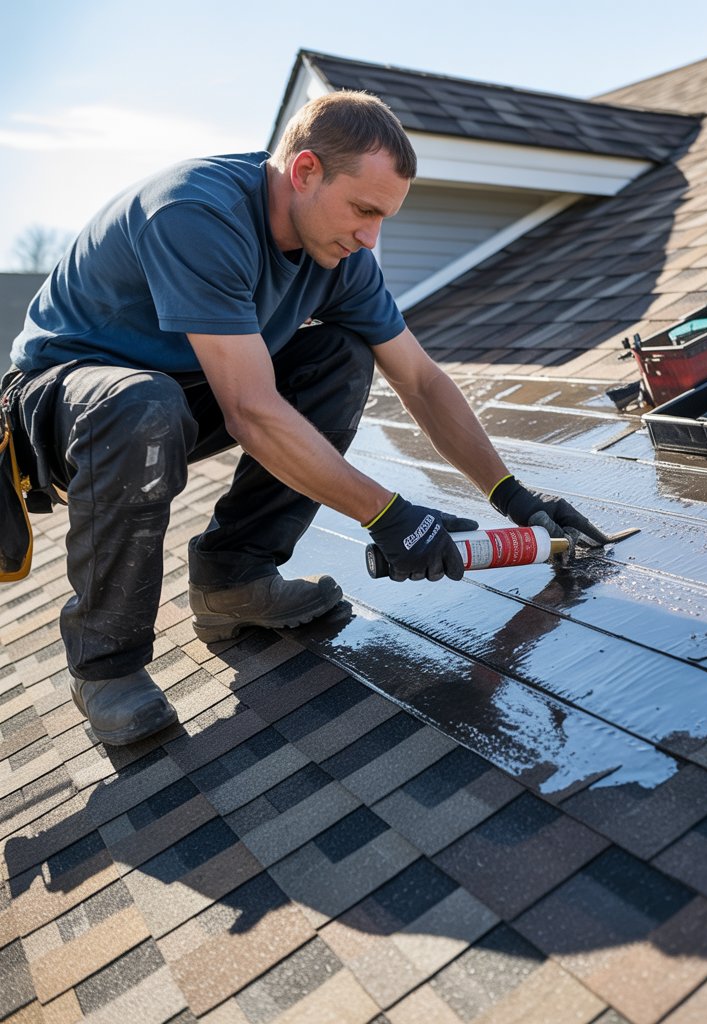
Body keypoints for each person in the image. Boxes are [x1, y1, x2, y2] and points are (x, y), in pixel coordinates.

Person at [1, 90, 609, 746]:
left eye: (385, 219)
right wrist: (392, 515)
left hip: (183, 390)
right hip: (66, 405)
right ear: (306, 171)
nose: (371, 236)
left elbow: (422, 380)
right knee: (143, 405)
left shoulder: (343, 258)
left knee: (342, 355)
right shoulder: (196, 214)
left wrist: (511, 494)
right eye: (364, 210)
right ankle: (106, 664)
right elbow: (252, 413)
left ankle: (233, 578)